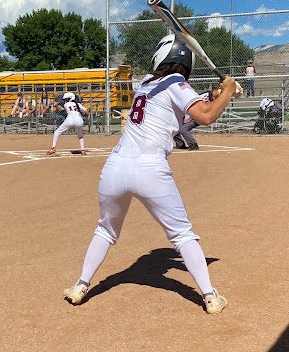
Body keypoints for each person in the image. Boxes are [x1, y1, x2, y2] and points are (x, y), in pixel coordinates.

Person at [63, 34, 236, 314]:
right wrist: (227, 91)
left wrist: (213, 96)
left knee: (105, 229)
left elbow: (183, 118)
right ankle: (210, 296)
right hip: (149, 168)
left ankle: (80, 285)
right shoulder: (175, 83)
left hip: (116, 167)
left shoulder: (146, 83)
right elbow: (204, 116)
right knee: (182, 234)